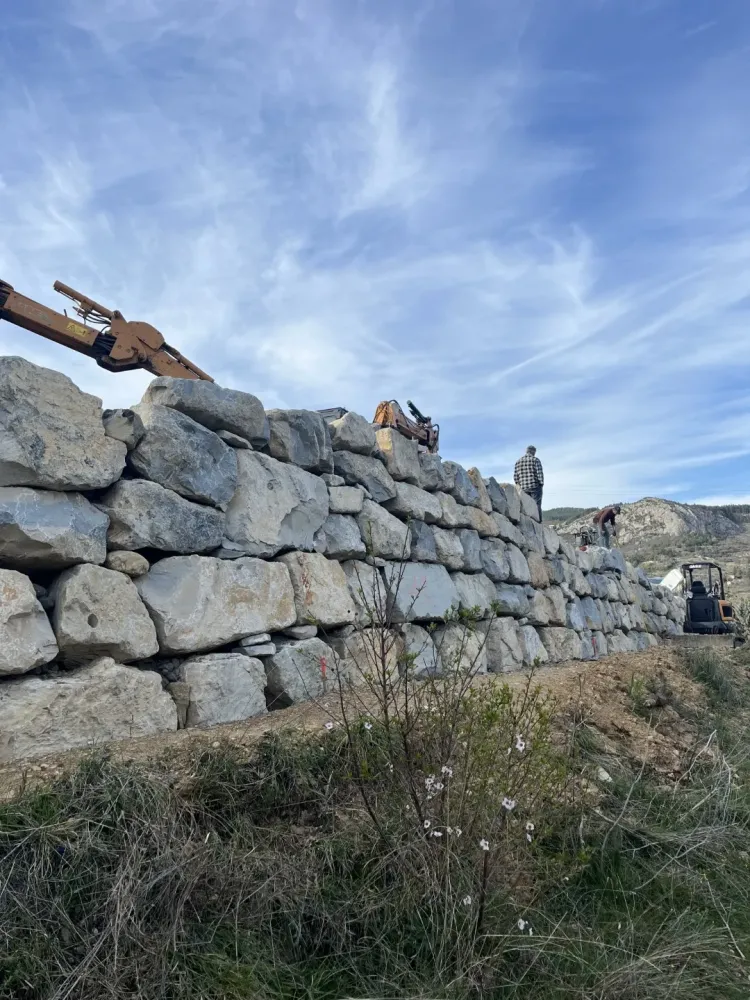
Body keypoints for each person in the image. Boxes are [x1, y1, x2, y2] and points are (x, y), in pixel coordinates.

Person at [513, 445, 544, 520]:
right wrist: (541, 484)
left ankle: (528, 520)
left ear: (526, 451)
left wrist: (520, 485)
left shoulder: (518, 462)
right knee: (536, 505)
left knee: (526, 506)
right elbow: (539, 474)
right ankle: (538, 522)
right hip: (535, 486)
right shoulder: (535, 460)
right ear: (533, 451)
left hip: (524, 488)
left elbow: (515, 477)